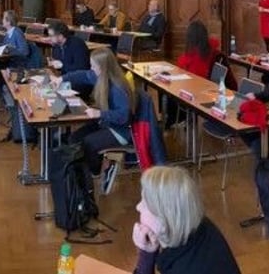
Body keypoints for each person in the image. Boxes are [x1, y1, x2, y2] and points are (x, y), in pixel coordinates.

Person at [131, 166, 240, 274]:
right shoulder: (201, 225)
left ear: (164, 219)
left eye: (145, 204)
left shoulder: (185, 268)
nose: (138, 207)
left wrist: (146, 255)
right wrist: (148, 251)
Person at [70, 48, 137, 193]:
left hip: (120, 131)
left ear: (103, 67)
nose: (91, 69)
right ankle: (84, 173)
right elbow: (82, 75)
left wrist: (100, 113)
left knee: (88, 143)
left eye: (93, 66)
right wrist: (61, 79)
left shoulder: (118, 87)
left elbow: (123, 117)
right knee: (74, 138)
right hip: (107, 123)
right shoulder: (100, 76)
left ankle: (95, 174)